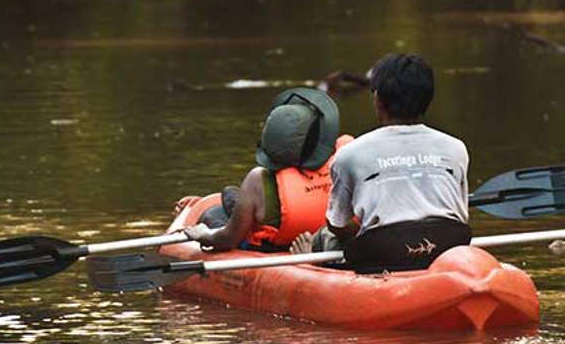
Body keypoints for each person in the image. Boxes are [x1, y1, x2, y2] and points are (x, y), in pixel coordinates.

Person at [295, 53, 470, 270]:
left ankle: (309, 264)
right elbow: (461, 215)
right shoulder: (456, 148)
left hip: (383, 253)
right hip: (448, 246)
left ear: (377, 98)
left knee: (325, 236)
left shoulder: (349, 154)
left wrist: (366, 230)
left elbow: (337, 224)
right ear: (428, 98)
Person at [182, 87, 353, 252]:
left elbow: (229, 239)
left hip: (276, 246)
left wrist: (204, 235)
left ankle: (233, 210)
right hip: (325, 237)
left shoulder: (257, 180)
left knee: (213, 214)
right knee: (229, 195)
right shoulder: (347, 156)